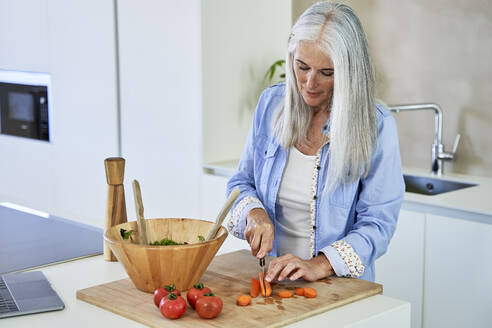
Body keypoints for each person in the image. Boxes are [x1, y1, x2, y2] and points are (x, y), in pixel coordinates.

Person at [226, 1, 404, 283]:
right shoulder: (271, 105)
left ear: (349, 71)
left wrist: (320, 265)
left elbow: (378, 224)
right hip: (274, 281)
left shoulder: (377, 125)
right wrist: (254, 212)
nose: (309, 83)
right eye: (302, 67)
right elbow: (240, 183)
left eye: (326, 72)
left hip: (338, 287)